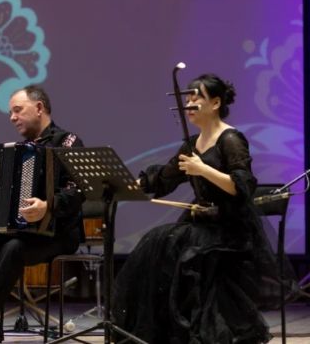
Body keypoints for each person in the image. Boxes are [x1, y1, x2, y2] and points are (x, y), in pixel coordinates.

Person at [113, 74, 287, 343]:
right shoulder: (192, 144)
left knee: (170, 243)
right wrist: (130, 185)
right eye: (187, 98)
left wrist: (203, 169)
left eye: (196, 97)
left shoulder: (230, 139)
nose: (189, 103)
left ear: (215, 103)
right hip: (202, 225)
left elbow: (241, 187)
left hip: (229, 229)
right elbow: (165, 177)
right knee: (159, 241)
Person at [0, 85, 84, 343]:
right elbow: (3, 202)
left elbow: (78, 191)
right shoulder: (20, 151)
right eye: (10, 112)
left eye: (17, 110)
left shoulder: (68, 142)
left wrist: (47, 206)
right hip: (21, 231)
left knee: (14, 247)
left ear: (39, 108)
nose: (12, 117)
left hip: (57, 233)